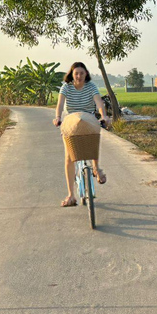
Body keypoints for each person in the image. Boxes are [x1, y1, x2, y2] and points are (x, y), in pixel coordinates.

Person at [52, 62, 111, 207]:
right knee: (69, 158)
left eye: (82, 73)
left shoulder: (91, 86)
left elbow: (99, 102)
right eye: (76, 73)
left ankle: (96, 168)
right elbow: (60, 104)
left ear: (86, 74)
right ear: (72, 75)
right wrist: (58, 117)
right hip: (71, 120)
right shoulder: (66, 86)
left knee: (93, 137)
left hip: (87, 118)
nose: (79, 76)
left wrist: (104, 116)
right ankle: (71, 195)